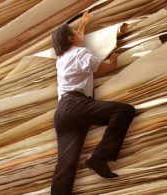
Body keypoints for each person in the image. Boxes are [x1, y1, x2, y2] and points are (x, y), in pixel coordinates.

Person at [50, 11, 135, 195]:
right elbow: (105, 67)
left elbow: (77, 38)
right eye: (74, 31)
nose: (79, 34)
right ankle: (99, 157)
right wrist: (113, 61)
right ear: (70, 38)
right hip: (75, 105)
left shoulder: (61, 59)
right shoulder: (81, 54)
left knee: (66, 165)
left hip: (62, 113)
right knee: (124, 111)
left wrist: (84, 23)